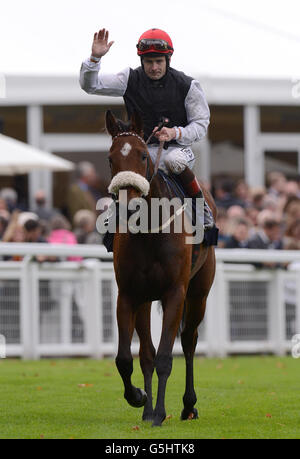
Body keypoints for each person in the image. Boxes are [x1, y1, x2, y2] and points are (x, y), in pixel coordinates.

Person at [80, 28, 215, 231]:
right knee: (126, 160)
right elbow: (91, 86)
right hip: (142, 150)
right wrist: (94, 59)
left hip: (177, 149)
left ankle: (200, 208)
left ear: (168, 60)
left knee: (173, 161)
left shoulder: (188, 85)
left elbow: (201, 124)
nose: (153, 67)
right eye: (149, 62)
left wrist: (175, 133)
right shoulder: (129, 78)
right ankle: (116, 210)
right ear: (141, 61)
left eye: (158, 61)